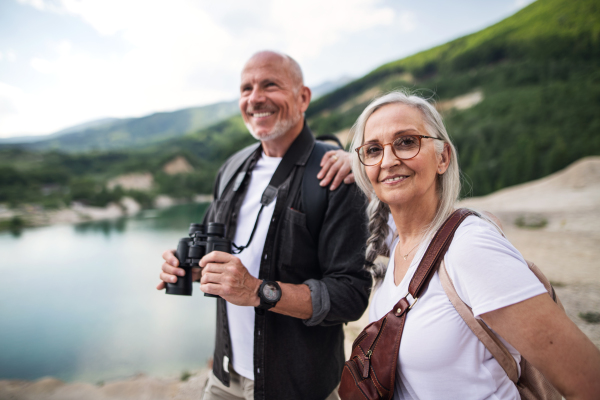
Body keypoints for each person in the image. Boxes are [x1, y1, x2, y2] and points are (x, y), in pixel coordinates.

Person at [349, 90, 600, 399]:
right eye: (373, 150)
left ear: (442, 157)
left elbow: (588, 383)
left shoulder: (470, 247)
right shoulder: (401, 243)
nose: (388, 160)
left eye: (406, 142)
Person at [157, 51, 372, 400]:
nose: (255, 98)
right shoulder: (232, 167)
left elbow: (350, 295)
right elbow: (216, 251)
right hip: (224, 379)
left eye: (270, 85)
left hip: (297, 386)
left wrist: (258, 291)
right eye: (246, 89)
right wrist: (191, 268)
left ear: (303, 98)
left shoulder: (335, 173)